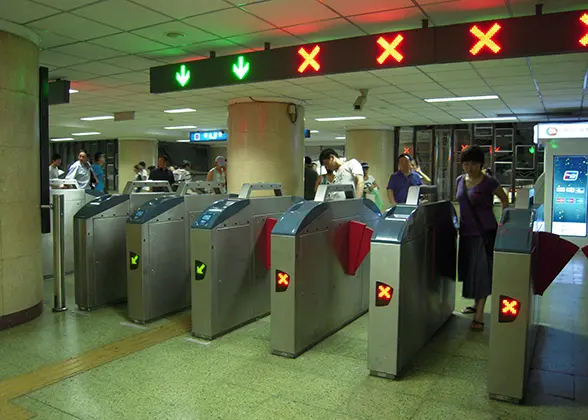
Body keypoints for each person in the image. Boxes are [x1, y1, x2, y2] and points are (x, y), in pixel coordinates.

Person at [457, 146, 509, 331]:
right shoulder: (460, 181)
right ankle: (475, 303)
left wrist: (503, 224)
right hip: (465, 234)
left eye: (473, 163)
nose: (469, 167)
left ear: (481, 164)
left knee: (481, 273)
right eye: (466, 163)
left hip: (484, 234)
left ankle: (479, 314)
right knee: (469, 272)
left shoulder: (489, 182)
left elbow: (505, 200)